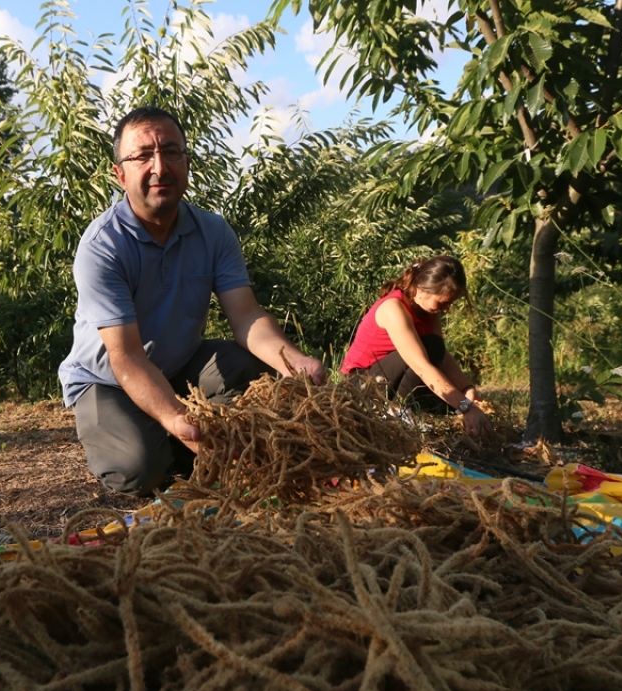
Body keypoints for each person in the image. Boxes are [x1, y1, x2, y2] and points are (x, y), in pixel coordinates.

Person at [58, 106, 327, 496]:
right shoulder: (103, 246)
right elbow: (126, 357)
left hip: (180, 365)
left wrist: (296, 362)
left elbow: (246, 316)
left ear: (187, 162)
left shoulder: (213, 232)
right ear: (120, 173)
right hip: (109, 380)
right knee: (138, 471)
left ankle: (185, 440)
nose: (160, 167)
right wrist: (176, 417)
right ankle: (161, 440)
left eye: (171, 152)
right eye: (142, 156)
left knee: (258, 370)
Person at [340, 256, 492, 438]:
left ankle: (405, 412)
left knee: (438, 360)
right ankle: (395, 415)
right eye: (443, 302)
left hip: (394, 379)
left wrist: (466, 389)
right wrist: (465, 407)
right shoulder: (393, 308)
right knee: (431, 349)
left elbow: (441, 355)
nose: (446, 310)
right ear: (421, 290)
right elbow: (421, 366)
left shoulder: (429, 310)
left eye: (450, 303)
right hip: (362, 384)